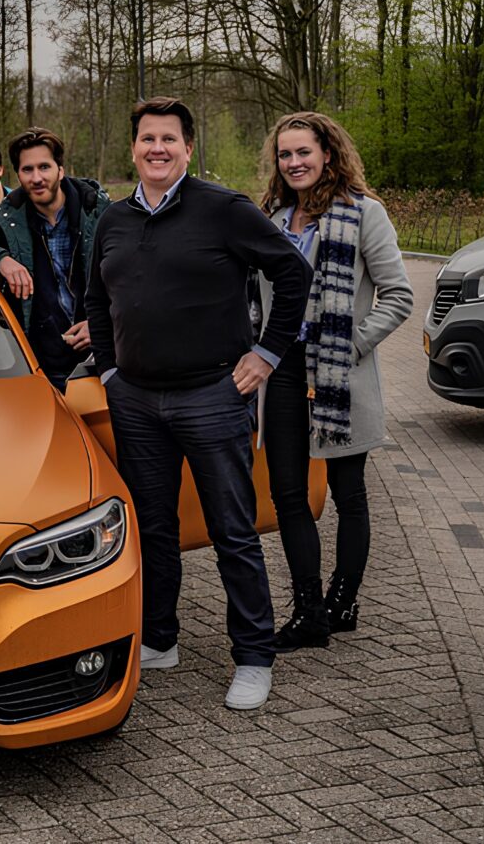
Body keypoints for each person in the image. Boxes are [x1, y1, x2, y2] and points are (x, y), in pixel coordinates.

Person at [84, 96, 309, 712]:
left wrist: (267, 354)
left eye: (169, 139)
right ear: (133, 147)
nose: (157, 149)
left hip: (213, 394)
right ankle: (159, 639)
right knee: (152, 529)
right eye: (147, 138)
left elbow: (292, 273)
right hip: (135, 400)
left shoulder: (223, 209)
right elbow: (97, 301)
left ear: (187, 148)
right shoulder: (112, 220)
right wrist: (109, 371)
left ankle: (254, 657)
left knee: (232, 530)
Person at [255, 112, 413, 649]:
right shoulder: (272, 217)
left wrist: (350, 346)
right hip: (282, 366)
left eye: (304, 152)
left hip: (340, 371)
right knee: (287, 494)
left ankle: (342, 602)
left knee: (349, 494)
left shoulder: (364, 213)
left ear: (328, 153)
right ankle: (309, 612)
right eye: (285, 154)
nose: (294, 162)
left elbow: (398, 296)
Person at [0, 128, 108, 390]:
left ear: (60, 170)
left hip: (104, 360)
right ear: (18, 175)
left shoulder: (100, 212)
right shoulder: (8, 220)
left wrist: (101, 324)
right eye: (27, 169)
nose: (37, 178)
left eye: (44, 167)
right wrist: (1, 259)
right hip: (45, 366)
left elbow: (134, 280)